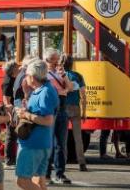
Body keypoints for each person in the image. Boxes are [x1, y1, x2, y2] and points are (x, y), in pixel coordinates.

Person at [15, 60, 59, 190]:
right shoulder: (43, 90)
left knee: (22, 181)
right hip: (41, 142)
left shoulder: (45, 92)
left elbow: (48, 120)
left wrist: (25, 115)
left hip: (34, 144)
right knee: (39, 181)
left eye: (26, 75)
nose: (25, 77)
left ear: (32, 77)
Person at [44, 48, 73, 185]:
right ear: (46, 60)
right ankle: (46, 174)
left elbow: (71, 88)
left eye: (57, 60)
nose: (56, 63)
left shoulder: (60, 72)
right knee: (48, 143)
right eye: (53, 61)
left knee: (61, 144)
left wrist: (64, 78)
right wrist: (60, 91)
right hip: (50, 109)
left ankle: (60, 173)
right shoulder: (43, 73)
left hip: (62, 109)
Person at [63, 56, 88, 171]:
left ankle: (62, 162)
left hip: (63, 107)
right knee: (78, 137)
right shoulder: (78, 76)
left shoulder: (60, 76)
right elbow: (83, 95)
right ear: (72, 64)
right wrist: (84, 112)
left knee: (62, 137)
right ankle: (82, 163)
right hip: (75, 107)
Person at [1, 60, 19, 167]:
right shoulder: (8, 81)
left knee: (13, 135)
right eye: (17, 67)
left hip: (13, 109)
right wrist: (10, 116)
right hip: (10, 110)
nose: (19, 68)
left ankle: (12, 159)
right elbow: (6, 100)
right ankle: (8, 160)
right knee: (10, 135)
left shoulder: (13, 78)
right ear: (13, 70)